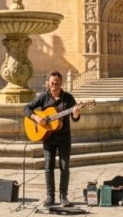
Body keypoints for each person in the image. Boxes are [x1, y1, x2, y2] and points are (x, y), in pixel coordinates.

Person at [25, 71, 84, 207]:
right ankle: (50, 197)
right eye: (51, 83)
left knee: (64, 167)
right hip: (48, 137)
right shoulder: (43, 97)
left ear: (61, 83)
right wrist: (36, 117)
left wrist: (76, 113)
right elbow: (27, 108)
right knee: (48, 167)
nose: (53, 86)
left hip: (64, 138)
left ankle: (63, 197)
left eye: (56, 83)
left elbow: (75, 119)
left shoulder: (68, 98)